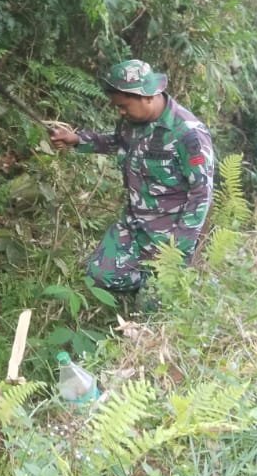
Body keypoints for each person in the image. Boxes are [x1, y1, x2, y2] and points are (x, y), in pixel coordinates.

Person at [48, 59, 215, 299]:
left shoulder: (188, 134)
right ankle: (143, 279)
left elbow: (201, 194)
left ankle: (154, 285)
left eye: (124, 106)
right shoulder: (133, 122)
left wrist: (178, 250)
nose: (120, 112)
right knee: (98, 275)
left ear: (147, 96)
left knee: (155, 307)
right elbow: (119, 142)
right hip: (134, 225)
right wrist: (77, 140)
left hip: (169, 236)